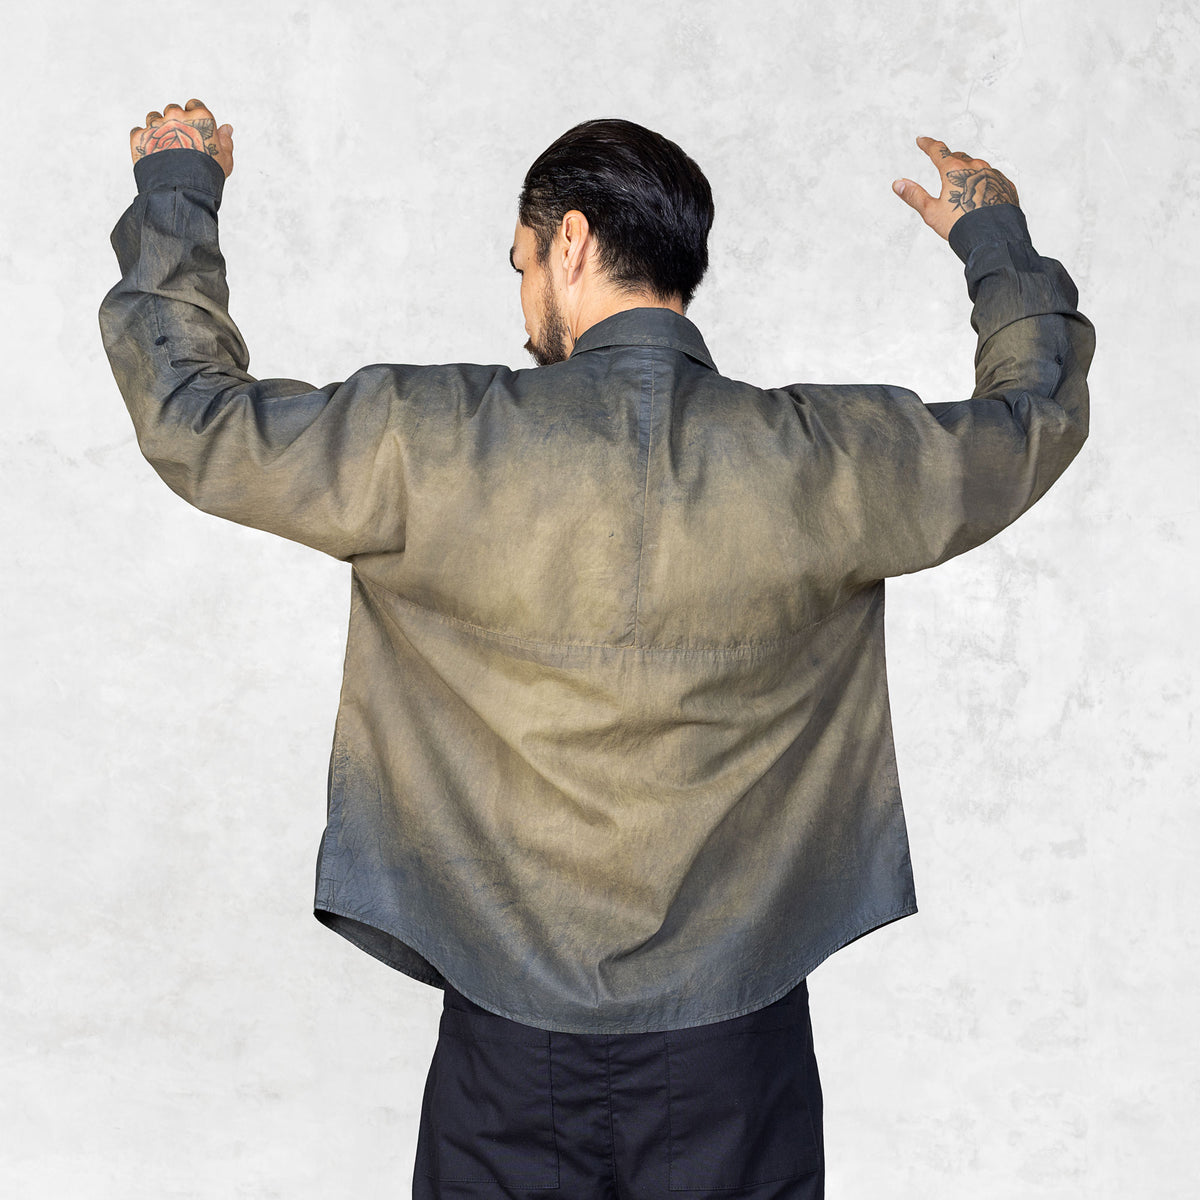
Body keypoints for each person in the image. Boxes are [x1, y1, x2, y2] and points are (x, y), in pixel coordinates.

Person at [101, 100, 1094, 1199]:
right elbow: (1032, 420)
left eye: (522, 261)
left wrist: (178, 193)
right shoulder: (826, 460)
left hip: (505, 1048)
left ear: (569, 242)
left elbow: (195, 416)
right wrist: (992, 238)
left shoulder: (428, 440)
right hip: (738, 1050)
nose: (523, 292)